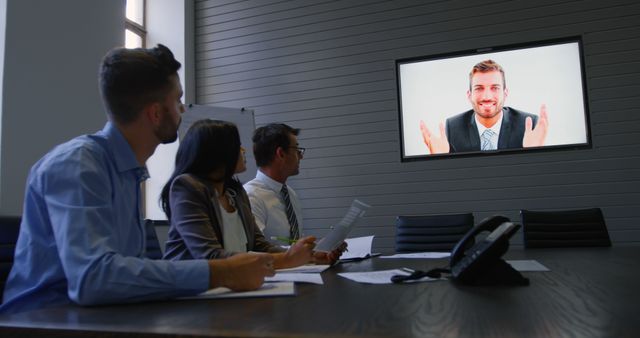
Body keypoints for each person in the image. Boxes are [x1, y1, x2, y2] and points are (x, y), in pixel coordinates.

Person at [0, 45, 274, 315]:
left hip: (101, 318)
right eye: (178, 101)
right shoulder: (79, 166)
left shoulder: (129, 172)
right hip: (40, 322)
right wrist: (217, 273)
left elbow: (133, 272)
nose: (181, 110)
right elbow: (93, 278)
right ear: (155, 113)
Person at [160, 119, 315, 269]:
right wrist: (287, 259)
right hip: (191, 290)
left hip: (230, 285)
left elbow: (259, 245)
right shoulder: (187, 187)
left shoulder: (236, 192)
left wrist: (309, 257)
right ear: (218, 152)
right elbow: (210, 256)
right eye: (237, 146)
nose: (244, 151)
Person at [244, 123, 346, 264]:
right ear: (281, 154)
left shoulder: (289, 193)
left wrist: (320, 250)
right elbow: (256, 249)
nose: (301, 156)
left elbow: (294, 243)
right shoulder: (251, 196)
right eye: (297, 149)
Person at [419, 59, 549, 154]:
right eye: (479, 88)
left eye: (495, 88)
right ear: (469, 95)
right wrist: (439, 160)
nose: (487, 96)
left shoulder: (528, 126)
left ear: (505, 93)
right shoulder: (453, 128)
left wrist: (534, 154)